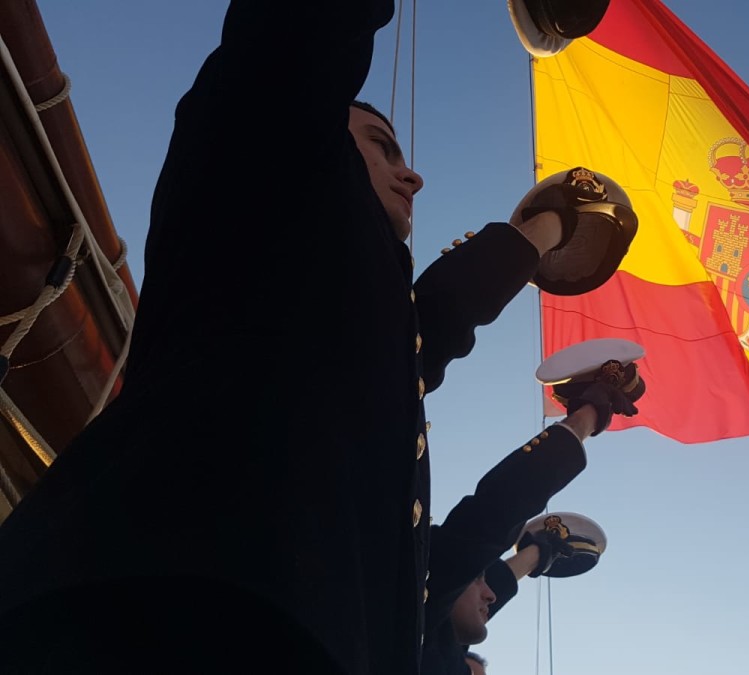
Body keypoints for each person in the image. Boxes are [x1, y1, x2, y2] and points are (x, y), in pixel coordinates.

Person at [0, 1, 579, 673]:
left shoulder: (339, 310)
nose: (414, 174)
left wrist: (545, 232)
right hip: (146, 624)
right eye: (382, 146)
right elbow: (301, 35)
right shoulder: (260, 145)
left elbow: (425, 329)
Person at [422, 357, 639, 675]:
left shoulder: (421, 636)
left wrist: (585, 420)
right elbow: (482, 532)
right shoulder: (422, 638)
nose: (491, 595)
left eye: (480, 577)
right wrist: (585, 419)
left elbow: (480, 535)